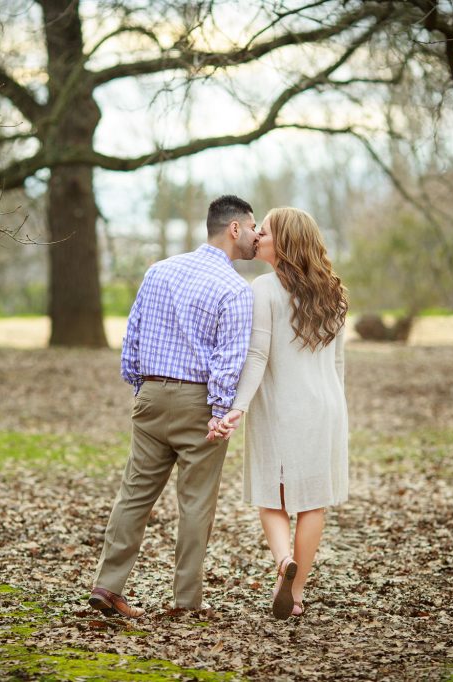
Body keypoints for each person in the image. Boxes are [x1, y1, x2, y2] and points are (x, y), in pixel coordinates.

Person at [88, 195, 260, 618]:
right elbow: (228, 359)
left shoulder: (159, 271)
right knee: (196, 503)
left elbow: (133, 337)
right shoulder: (236, 290)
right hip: (199, 402)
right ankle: (186, 602)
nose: (258, 236)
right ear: (234, 229)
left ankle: (107, 586)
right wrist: (220, 411)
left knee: (134, 495)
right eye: (254, 227)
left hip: (150, 395)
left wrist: (141, 388)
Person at [213, 207, 348, 620]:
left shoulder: (264, 288)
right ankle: (298, 591)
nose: (258, 237)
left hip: (281, 407)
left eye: (265, 232)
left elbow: (257, 355)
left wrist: (237, 407)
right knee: (313, 503)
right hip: (327, 406)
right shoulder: (335, 292)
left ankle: (283, 560)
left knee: (272, 494)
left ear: (284, 243)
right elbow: (339, 363)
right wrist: (338, 407)